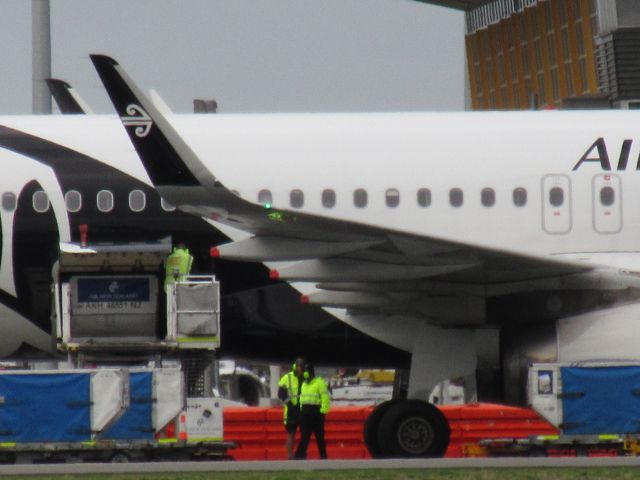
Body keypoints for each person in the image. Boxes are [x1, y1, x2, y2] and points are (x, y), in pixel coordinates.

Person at [294, 363, 330, 460]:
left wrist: (323, 412)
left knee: (320, 437)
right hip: (305, 413)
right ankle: (299, 457)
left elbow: (325, 398)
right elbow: (302, 399)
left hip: (316, 413)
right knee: (304, 436)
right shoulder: (304, 384)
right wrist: (301, 410)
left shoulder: (319, 382)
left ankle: (323, 457)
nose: (305, 375)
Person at [277, 358, 305, 459]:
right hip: (291, 410)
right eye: (298, 366)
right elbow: (281, 394)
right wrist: (289, 404)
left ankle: (300, 454)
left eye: (301, 367)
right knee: (291, 434)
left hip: (302, 409)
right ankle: (290, 455)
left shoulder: (306, 377)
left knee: (304, 434)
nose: (299, 369)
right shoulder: (287, 377)